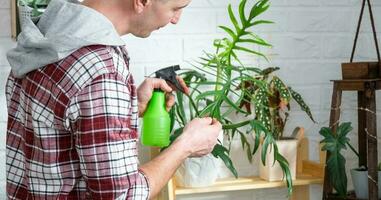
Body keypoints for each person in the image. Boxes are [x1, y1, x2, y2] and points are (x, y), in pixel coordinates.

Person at [5, 0, 222, 199]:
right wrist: (186, 145)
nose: (176, 20)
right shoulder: (101, 70)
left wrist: (128, 107)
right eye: (176, 7)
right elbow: (122, 195)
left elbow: (53, 127)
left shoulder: (47, 37)